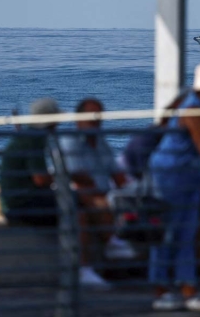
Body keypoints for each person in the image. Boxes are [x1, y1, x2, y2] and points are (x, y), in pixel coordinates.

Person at [147, 62, 200, 312]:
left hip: (190, 176)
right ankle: (162, 290)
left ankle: (187, 290)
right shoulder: (193, 109)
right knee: (169, 232)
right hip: (171, 174)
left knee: (186, 233)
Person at [58, 98, 137, 287]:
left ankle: (122, 261)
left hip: (102, 193)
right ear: (78, 118)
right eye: (91, 116)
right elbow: (79, 178)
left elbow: (117, 174)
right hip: (82, 195)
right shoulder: (70, 141)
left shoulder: (100, 142)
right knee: (89, 206)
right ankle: (111, 243)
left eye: (99, 116)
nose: (96, 121)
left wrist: (130, 192)